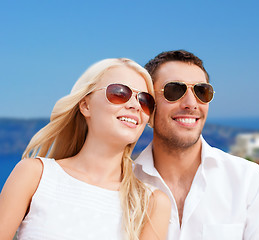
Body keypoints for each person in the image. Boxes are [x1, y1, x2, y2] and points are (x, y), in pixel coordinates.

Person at [0, 58, 171, 240]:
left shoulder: (152, 203)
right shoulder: (34, 175)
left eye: (145, 101)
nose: (135, 106)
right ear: (85, 105)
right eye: (119, 93)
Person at [134, 50, 259, 239]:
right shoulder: (123, 186)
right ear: (148, 103)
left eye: (201, 91)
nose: (191, 103)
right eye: (174, 90)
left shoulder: (249, 181)